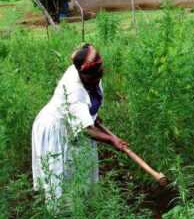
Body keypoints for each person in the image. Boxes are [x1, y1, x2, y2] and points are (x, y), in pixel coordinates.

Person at [32, 44, 129, 200]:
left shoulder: (92, 73)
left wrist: (93, 116)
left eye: (99, 74)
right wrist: (111, 139)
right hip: (57, 129)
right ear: (82, 74)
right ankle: (65, 216)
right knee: (63, 176)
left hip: (74, 126)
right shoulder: (75, 90)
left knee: (83, 170)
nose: (97, 79)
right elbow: (85, 130)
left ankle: (83, 206)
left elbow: (89, 104)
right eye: (93, 77)